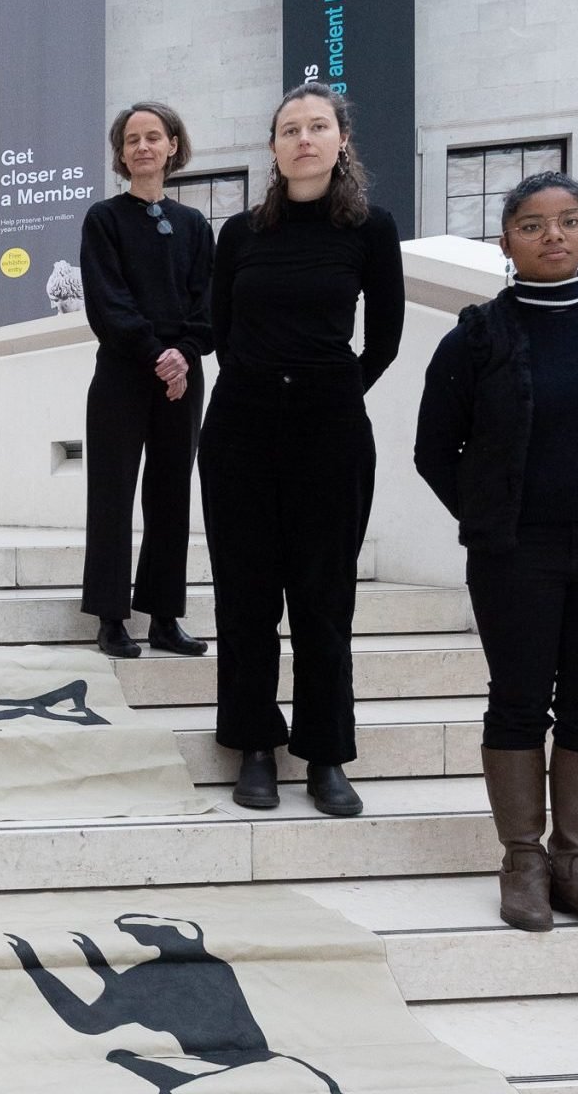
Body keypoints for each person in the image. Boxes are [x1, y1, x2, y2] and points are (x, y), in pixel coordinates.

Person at [415, 172, 578, 938]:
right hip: (515, 555)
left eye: (570, 221)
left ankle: (577, 866)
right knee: (520, 702)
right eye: (533, 225)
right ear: (506, 242)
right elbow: (436, 451)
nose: (553, 235)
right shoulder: (476, 337)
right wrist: (497, 517)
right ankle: (522, 861)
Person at [200, 82, 402, 818]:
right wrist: (266, 382)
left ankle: (324, 755)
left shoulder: (370, 229)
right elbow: (221, 329)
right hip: (242, 427)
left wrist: (325, 386)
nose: (304, 139)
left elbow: (383, 340)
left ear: (341, 140)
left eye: (318, 126)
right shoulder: (241, 234)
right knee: (246, 596)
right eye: (291, 128)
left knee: (324, 598)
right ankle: (254, 744)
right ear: (275, 147)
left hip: (329, 427)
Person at [80, 102, 215, 659]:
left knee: (170, 496)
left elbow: (208, 306)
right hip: (122, 374)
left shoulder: (195, 225)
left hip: (182, 379)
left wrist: (184, 354)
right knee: (112, 493)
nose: (142, 147)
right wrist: (159, 355)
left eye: (153, 137)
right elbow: (108, 303)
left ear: (173, 147)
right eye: (131, 139)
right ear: (121, 153)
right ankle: (112, 617)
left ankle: (164, 618)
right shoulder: (104, 219)